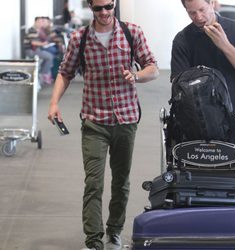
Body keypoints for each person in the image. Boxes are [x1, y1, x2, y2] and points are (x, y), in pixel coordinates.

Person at [47, 0, 159, 249]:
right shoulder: (80, 38)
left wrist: (137, 75)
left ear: (114, 4)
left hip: (126, 119)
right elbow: (65, 72)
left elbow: (153, 68)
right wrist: (54, 102)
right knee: (94, 182)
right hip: (94, 121)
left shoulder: (132, 32)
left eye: (109, 6)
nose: (105, 12)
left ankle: (115, 231)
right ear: (90, 8)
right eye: (99, 8)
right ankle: (93, 240)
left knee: (121, 181)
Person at [171, 0, 235, 112]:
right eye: (192, 13)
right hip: (201, 116)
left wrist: (225, 45)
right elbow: (178, 85)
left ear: (212, 3)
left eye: (202, 10)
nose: (198, 17)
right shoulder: (182, 40)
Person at [24, 16, 55, 85]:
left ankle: (42, 73)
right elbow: (33, 42)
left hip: (36, 50)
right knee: (50, 57)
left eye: (42, 22)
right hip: (31, 51)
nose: (41, 23)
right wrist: (43, 44)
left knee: (50, 54)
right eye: (39, 22)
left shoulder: (37, 30)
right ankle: (42, 73)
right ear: (35, 22)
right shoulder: (32, 30)